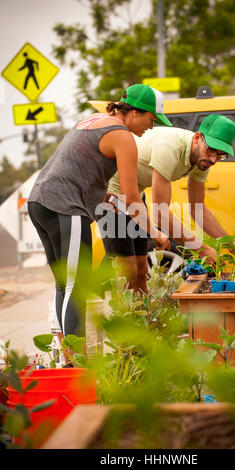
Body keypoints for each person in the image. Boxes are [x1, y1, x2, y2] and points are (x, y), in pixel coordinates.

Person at [27, 83, 172, 360]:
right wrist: (154, 232)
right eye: (152, 120)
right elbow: (133, 198)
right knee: (76, 286)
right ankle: (76, 364)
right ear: (135, 112)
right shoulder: (122, 136)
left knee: (64, 284)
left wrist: (110, 200)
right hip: (65, 208)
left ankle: (68, 360)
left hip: (40, 202)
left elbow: (80, 174)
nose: (151, 128)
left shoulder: (91, 121)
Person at [99, 113, 235, 293]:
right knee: (126, 271)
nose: (213, 159)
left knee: (141, 271)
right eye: (211, 150)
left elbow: (198, 209)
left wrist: (231, 243)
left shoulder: (202, 160)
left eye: (221, 155)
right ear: (197, 138)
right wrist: (201, 248)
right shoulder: (169, 148)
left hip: (135, 195)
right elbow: (160, 215)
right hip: (110, 194)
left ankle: (144, 318)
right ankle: (114, 314)